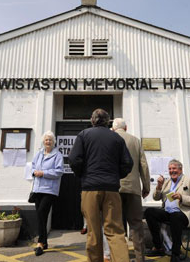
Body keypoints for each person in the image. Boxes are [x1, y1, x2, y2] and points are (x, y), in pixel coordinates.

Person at [69, 108, 133, 262]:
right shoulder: (117, 138)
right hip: (111, 189)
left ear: (92, 120)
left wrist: (82, 175)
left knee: (93, 231)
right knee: (115, 231)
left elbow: (74, 160)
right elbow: (127, 163)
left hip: (90, 188)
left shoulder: (83, 135)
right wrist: (116, 176)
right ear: (108, 121)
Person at [144, 159, 190, 262]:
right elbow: (156, 198)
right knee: (149, 212)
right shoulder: (167, 182)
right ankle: (158, 247)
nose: (172, 171)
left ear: (180, 169)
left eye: (174, 168)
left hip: (184, 214)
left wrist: (181, 197)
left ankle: (175, 253)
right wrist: (159, 186)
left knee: (176, 216)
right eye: (170, 169)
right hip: (167, 212)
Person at [112, 118, 150, 262]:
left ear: (113, 129)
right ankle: (140, 258)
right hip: (133, 188)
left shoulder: (111, 139)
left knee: (115, 225)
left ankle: (120, 257)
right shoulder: (135, 141)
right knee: (136, 225)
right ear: (126, 128)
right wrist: (146, 186)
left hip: (114, 188)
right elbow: (143, 165)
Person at [31, 131, 64, 256]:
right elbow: (33, 166)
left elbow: (59, 171)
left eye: (50, 139)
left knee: (41, 213)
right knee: (41, 216)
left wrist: (43, 173)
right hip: (37, 188)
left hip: (50, 190)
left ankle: (40, 242)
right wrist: (34, 172)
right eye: (46, 140)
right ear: (43, 142)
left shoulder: (58, 155)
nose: (48, 142)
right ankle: (44, 242)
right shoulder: (39, 154)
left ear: (53, 141)